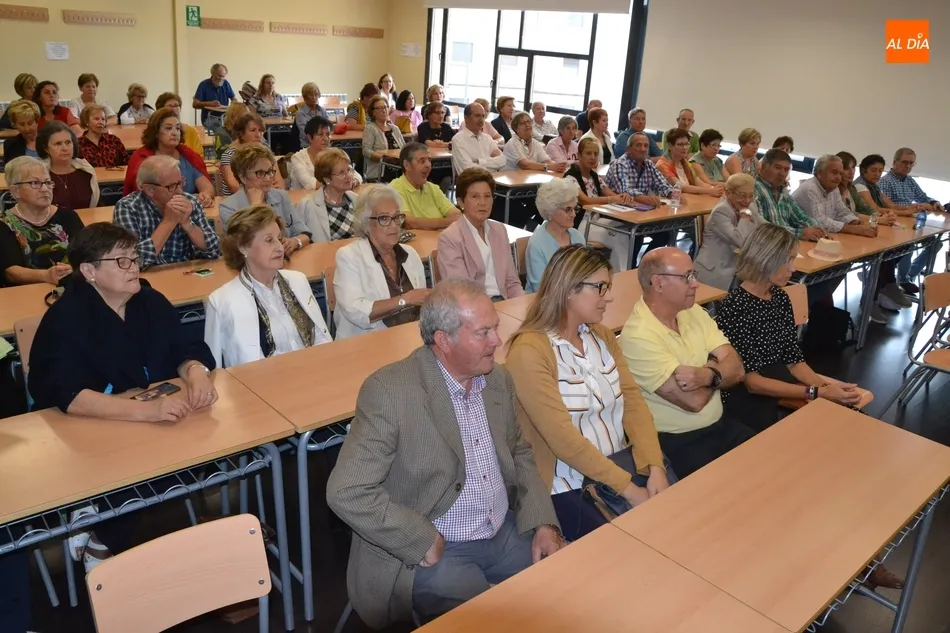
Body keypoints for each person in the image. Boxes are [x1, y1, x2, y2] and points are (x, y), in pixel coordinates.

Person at [326, 278, 562, 627]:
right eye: (483, 333)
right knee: (492, 623)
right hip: (438, 549)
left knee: (570, 584)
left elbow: (519, 453)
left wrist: (542, 521)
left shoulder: (497, 380)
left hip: (502, 529)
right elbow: (346, 490)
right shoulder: (390, 392)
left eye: (495, 328)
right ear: (443, 340)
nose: (497, 341)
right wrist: (419, 539)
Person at [507, 245, 670, 539]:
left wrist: (654, 465)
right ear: (570, 289)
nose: (609, 296)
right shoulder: (530, 351)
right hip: (568, 485)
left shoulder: (603, 336)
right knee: (644, 540)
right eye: (600, 287)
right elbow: (563, 440)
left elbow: (634, 405)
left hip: (620, 466)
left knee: (675, 522)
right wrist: (628, 489)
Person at [30, 221, 217, 417]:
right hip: (89, 423)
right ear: (89, 271)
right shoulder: (65, 318)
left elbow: (184, 347)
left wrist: (197, 373)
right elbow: (66, 392)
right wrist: (147, 411)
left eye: (134, 258)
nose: (134, 268)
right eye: (122, 261)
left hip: (160, 410)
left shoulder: (150, 301)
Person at [620, 247, 753, 478]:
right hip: (678, 442)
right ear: (658, 283)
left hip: (720, 424)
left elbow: (738, 368)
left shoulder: (693, 312)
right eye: (687, 277)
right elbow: (693, 401)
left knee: (768, 460)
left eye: (694, 275)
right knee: (732, 486)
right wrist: (717, 367)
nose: (696, 284)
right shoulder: (638, 336)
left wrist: (708, 375)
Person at [715, 223, 862, 426]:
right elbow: (752, 382)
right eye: (787, 260)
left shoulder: (780, 297)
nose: (793, 268)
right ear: (764, 260)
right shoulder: (735, 306)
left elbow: (794, 360)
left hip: (777, 383)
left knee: (845, 416)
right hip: (747, 400)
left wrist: (827, 388)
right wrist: (818, 392)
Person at [204, 205, 332, 368]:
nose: (279, 247)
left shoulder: (297, 280)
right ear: (243, 248)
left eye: (279, 238)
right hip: (261, 380)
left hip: (312, 371)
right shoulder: (222, 301)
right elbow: (214, 368)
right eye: (269, 240)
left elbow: (321, 338)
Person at [332, 185, 428, 339]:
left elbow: (422, 303)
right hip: (364, 342)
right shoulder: (349, 257)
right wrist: (405, 300)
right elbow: (356, 312)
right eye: (384, 218)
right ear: (366, 223)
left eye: (397, 217)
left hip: (408, 337)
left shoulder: (410, 254)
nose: (394, 225)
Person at [113, 155, 220, 267]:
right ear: (150, 190)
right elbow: (131, 262)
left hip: (186, 271)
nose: (180, 191)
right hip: (150, 275)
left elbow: (215, 250)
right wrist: (169, 222)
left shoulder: (190, 201)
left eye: (180, 183)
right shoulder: (128, 207)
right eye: (172, 186)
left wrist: (187, 224)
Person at [437, 167, 523, 300]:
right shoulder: (450, 238)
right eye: (475, 196)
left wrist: (521, 304)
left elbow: (512, 282)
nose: (483, 203)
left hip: (504, 301)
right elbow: (461, 292)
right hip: (474, 306)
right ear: (461, 201)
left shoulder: (499, 230)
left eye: (487, 196)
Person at [0, 156, 83, 286]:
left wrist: (74, 269)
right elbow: (11, 272)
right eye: (35, 183)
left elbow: (88, 254)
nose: (45, 189)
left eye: (48, 182)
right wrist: (46, 275)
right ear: (15, 190)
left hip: (70, 287)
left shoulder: (68, 216)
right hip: (25, 292)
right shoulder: (4, 223)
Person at [599, 132, 673, 268]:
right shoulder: (620, 164)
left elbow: (663, 186)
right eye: (638, 145)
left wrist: (673, 194)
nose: (643, 149)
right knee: (636, 237)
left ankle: (643, 267)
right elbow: (624, 191)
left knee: (664, 235)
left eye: (646, 146)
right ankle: (630, 269)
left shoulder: (649, 164)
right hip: (616, 213)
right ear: (629, 149)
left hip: (639, 213)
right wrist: (644, 198)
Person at [219, 144, 312, 251]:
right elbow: (245, 246)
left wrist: (295, 241)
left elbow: (305, 233)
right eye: (260, 173)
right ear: (242, 177)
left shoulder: (281, 196)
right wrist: (256, 206)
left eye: (270, 171)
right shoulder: (228, 207)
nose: (268, 178)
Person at [879, 147, 946, 294]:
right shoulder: (885, 181)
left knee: (936, 243)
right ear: (895, 162)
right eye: (904, 162)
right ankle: (901, 280)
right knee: (909, 243)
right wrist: (915, 207)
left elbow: (923, 197)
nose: (908, 166)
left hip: (911, 223)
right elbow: (887, 207)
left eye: (911, 163)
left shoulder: (910, 181)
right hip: (895, 225)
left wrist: (933, 202)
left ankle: (908, 276)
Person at [123, 108, 214, 205]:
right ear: (156, 132)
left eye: (177, 128)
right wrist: (190, 199)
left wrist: (205, 195)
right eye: (168, 128)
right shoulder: (142, 158)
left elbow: (208, 188)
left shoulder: (188, 156)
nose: (175, 133)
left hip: (189, 209)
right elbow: (143, 196)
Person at [694, 173, 765, 290]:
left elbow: (764, 226)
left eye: (751, 195)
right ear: (728, 193)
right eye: (742, 195)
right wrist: (745, 217)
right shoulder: (721, 211)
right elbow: (740, 241)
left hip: (739, 267)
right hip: (715, 271)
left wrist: (782, 236)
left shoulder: (751, 205)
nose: (747, 200)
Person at [791, 154, 877, 237]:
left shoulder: (833, 187)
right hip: (800, 238)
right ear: (818, 173)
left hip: (823, 236)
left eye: (840, 173)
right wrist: (853, 229)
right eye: (834, 172)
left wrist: (858, 223)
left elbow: (841, 211)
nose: (838, 177)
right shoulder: (810, 189)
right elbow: (820, 221)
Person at [524, 180, 586, 292]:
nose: (573, 214)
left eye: (575, 208)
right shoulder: (537, 244)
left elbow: (586, 273)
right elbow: (540, 287)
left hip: (576, 295)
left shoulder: (577, 236)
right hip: (546, 299)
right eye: (568, 209)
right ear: (550, 211)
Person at [754, 149, 825, 241]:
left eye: (786, 169)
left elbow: (800, 217)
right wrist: (800, 233)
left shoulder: (783, 192)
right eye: (777, 167)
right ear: (763, 167)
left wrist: (818, 230)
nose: (782, 173)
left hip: (785, 243)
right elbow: (762, 227)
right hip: (765, 245)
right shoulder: (753, 188)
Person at [391, 143, 461, 230]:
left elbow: (457, 215)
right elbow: (409, 223)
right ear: (407, 165)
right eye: (422, 161)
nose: (428, 165)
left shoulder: (432, 188)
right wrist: (447, 222)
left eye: (429, 160)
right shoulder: (395, 189)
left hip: (442, 236)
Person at [297, 147, 361, 242]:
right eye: (341, 173)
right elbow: (299, 238)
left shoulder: (357, 200)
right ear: (327, 179)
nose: (348, 176)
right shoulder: (307, 205)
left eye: (348, 170)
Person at [37, 121, 100, 209]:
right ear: (46, 148)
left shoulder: (86, 171)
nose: (65, 148)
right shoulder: (39, 174)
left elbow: (97, 205)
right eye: (58, 144)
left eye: (68, 142)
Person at [656, 128, 723, 196]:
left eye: (687, 144)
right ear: (670, 146)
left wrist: (714, 189)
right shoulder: (662, 164)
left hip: (688, 198)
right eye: (680, 144)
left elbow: (699, 183)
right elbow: (680, 187)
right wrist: (709, 191)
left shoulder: (685, 163)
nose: (685, 148)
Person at [220, 112, 268, 196]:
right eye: (253, 130)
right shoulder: (229, 155)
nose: (258, 135)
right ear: (241, 134)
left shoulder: (265, 153)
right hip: (237, 201)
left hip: (264, 198)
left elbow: (280, 183)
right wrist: (264, 188)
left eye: (261, 130)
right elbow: (234, 187)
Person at [503, 111, 568, 173]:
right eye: (523, 123)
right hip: (510, 179)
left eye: (529, 122)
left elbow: (546, 160)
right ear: (516, 128)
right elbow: (524, 165)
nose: (527, 125)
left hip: (527, 178)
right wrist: (549, 167)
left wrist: (558, 166)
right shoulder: (512, 143)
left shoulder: (535, 143)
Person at [452, 103, 507, 174]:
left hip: (493, 178)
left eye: (483, 116)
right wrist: (492, 164)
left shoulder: (487, 138)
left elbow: (503, 161)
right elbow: (467, 168)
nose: (481, 120)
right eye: (477, 116)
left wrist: (479, 161)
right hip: (472, 180)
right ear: (466, 118)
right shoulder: (458, 139)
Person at [362, 95, 406, 180]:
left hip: (400, 170)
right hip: (381, 171)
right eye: (379, 108)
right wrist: (384, 158)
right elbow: (366, 151)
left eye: (385, 107)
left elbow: (404, 149)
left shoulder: (395, 128)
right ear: (373, 112)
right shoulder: (370, 128)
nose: (384, 110)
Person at [77, 104, 129, 168]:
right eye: (96, 119)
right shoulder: (79, 144)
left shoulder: (113, 140)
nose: (101, 122)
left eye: (103, 119)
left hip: (114, 174)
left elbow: (126, 162)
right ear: (86, 121)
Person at [193, 63, 235, 127]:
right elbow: (195, 104)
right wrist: (210, 103)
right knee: (223, 129)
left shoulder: (226, 83)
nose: (221, 79)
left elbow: (233, 98)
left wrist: (234, 104)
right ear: (212, 74)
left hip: (224, 117)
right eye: (219, 76)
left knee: (238, 126)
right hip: (209, 118)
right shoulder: (203, 85)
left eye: (223, 76)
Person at [295, 82, 330, 148]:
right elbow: (305, 133)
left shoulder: (322, 111)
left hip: (324, 144)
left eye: (316, 94)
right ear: (305, 97)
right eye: (311, 95)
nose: (314, 97)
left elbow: (328, 128)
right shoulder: (301, 113)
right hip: (308, 146)